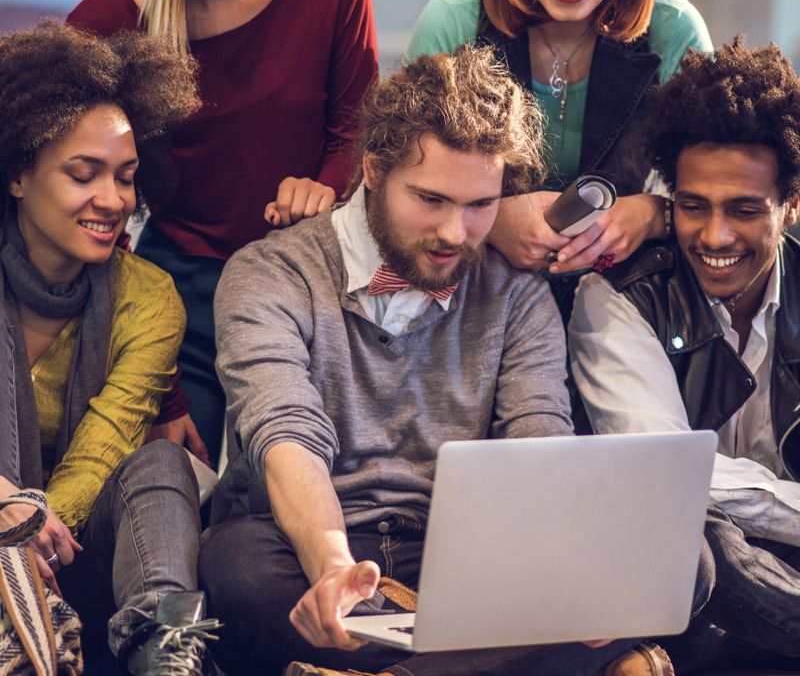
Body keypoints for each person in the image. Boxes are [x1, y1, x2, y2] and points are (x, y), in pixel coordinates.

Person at [199, 46, 711, 676]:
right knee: (234, 564)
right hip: (312, 544)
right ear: (373, 170)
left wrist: (580, 569)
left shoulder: (515, 292)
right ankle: (544, 660)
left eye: (480, 207)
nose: (454, 233)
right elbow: (286, 436)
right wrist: (333, 567)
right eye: (431, 199)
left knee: (686, 559)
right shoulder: (272, 273)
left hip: (463, 559)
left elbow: (538, 443)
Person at [67, 0, 379, 461]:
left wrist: (324, 187)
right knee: (181, 481)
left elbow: (355, 130)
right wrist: (165, 393)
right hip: (178, 290)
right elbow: (90, 205)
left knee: (309, 475)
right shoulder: (104, 22)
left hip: (309, 278)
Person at [569, 38, 800, 672]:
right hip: (688, 574)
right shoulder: (620, 297)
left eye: (746, 211)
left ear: (791, 206)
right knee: (693, 536)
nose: (716, 235)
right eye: (694, 207)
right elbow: (666, 471)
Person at [0, 20, 220, 676]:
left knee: (158, 462)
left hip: (74, 555)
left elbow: (103, 452)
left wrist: (32, 527)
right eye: (83, 174)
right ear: (18, 175)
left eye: (125, 177)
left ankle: (167, 652)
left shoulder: (149, 299)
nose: (113, 200)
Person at [406, 0, 711, 286]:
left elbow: (719, 189)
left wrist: (654, 213)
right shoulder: (452, 20)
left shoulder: (675, 31)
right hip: (476, 297)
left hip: (628, 299)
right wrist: (488, 221)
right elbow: (394, 184)